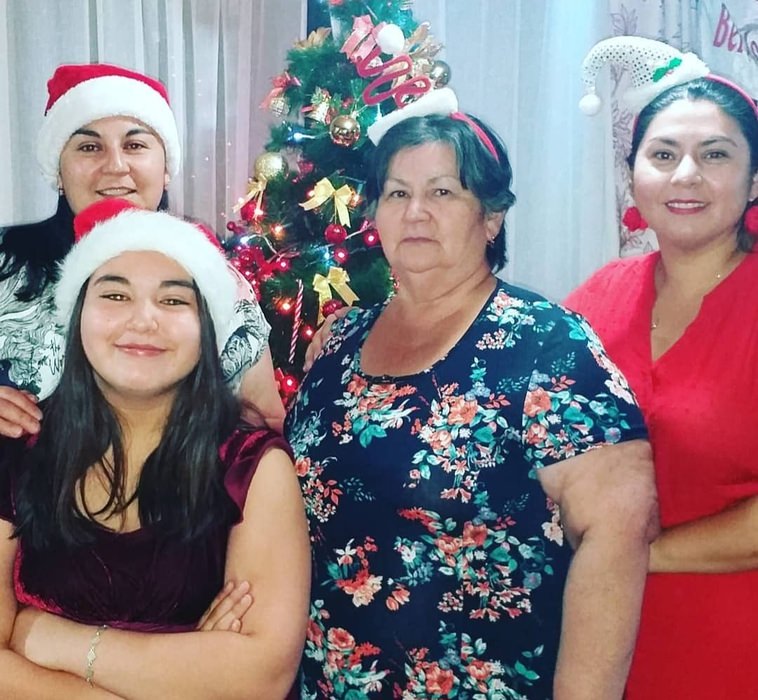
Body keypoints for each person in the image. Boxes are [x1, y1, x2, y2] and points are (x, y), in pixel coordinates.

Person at [286, 86, 659, 699]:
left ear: (491, 217)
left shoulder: (547, 346)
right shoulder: (339, 341)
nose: (416, 212)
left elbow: (618, 535)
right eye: (397, 193)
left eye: (442, 192)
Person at [0, 197, 310, 698]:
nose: (143, 320)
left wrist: (44, 637)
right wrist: (187, 668)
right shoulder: (17, 446)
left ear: (206, 328)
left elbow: (261, 677)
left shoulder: (251, 465)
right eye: (115, 295)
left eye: (173, 301)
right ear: (77, 316)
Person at [565, 36, 758, 698]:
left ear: (754, 181)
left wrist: (639, 555)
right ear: (633, 176)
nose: (686, 176)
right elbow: (504, 394)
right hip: (596, 647)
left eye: (716, 155)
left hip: (730, 652)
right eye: (664, 154)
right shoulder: (598, 297)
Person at [0, 62, 285, 437]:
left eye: (134, 145)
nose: (115, 166)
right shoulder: (6, 264)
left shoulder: (216, 278)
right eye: (89, 147)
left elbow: (265, 422)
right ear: (58, 170)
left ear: (166, 168)